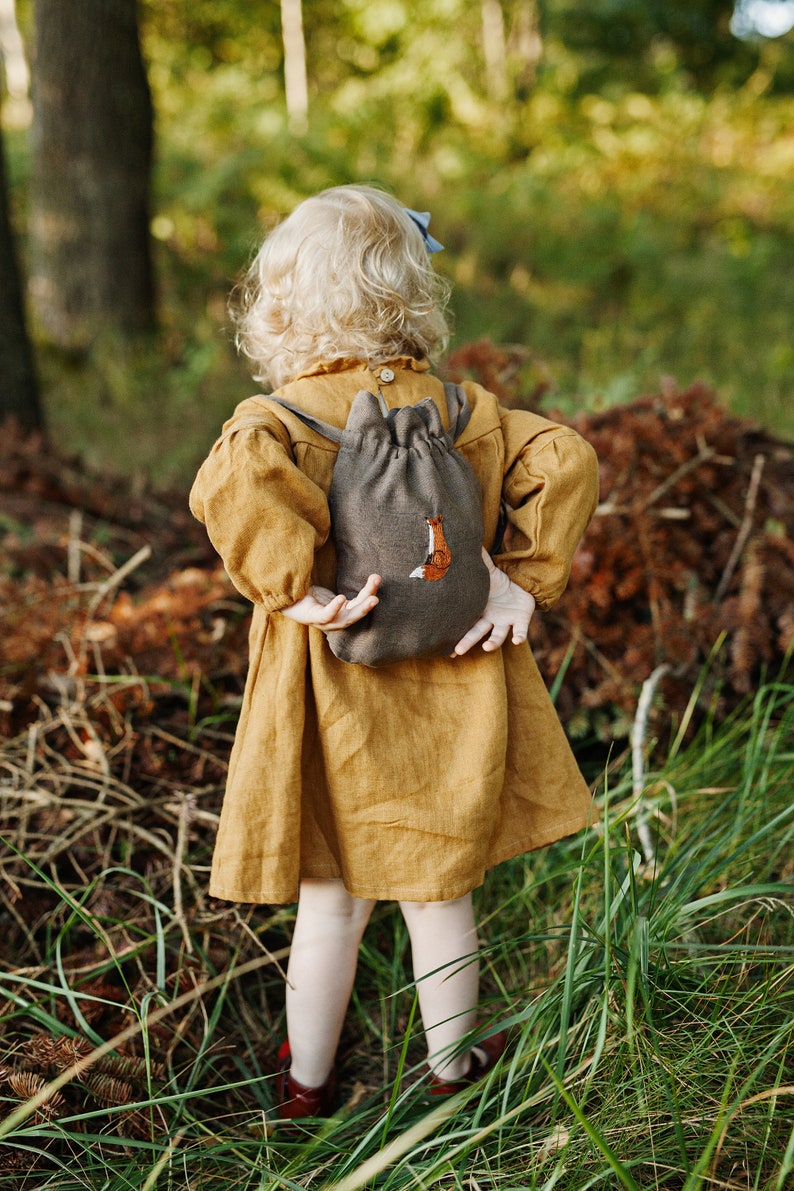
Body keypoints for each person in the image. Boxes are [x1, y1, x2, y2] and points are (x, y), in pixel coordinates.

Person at [189, 184, 599, 1119]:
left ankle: (307, 1084)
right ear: (413, 293)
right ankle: (452, 1072)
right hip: (455, 693)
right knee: (440, 894)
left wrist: (301, 592)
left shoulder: (282, 420)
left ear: (284, 302)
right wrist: (520, 578)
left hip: (333, 694)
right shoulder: (467, 409)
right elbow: (566, 458)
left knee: (332, 904)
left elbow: (235, 489)